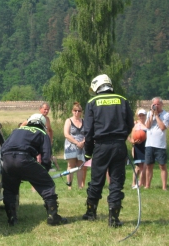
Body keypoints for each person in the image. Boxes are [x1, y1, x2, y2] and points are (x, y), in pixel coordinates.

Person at [82, 74, 134, 227]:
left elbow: (88, 131)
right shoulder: (122, 100)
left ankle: (91, 213)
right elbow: (130, 124)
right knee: (116, 182)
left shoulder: (92, 102)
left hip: (101, 147)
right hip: (119, 146)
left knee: (97, 180)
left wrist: (87, 153)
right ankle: (114, 219)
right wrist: (121, 138)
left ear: (97, 87)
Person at [1, 114, 67, 226]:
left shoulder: (16, 130)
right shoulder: (42, 133)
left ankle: (12, 218)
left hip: (7, 160)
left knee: (9, 190)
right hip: (24, 158)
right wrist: (44, 171)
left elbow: (3, 148)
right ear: (42, 124)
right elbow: (46, 156)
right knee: (47, 185)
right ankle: (53, 216)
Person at [145, 97, 169, 191]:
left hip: (160, 144)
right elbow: (147, 126)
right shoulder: (149, 113)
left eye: (158, 104)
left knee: (162, 165)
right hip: (149, 143)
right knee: (149, 165)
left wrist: (157, 116)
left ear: (162, 104)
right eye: (154, 104)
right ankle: (147, 185)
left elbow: (163, 127)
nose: (156, 106)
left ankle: (164, 187)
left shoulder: (166, 115)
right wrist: (151, 114)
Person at [63, 102, 86, 189]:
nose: (77, 112)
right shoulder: (68, 121)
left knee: (81, 166)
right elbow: (66, 134)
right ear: (72, 111)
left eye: (79, 111)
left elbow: (88, 134)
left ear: (81, 112)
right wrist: (76, 143)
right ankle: (70, 186)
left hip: (82, 146)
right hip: (71, 146)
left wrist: (83, 142)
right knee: (71, 165)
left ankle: (80, 186)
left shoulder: (84, 121)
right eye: (75, 110)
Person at [128, 108, 147, 188]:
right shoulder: (135, 124)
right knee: (138, 167)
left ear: (146, 116)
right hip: (137, 147)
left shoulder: (148, 124)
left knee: (145, 166)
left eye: (143, 115)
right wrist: (133, 142)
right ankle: (134, 183)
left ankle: (143, 183)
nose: (141, 117)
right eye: (140, 115)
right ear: (138, 116)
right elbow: (128, 136)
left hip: (146, 146)